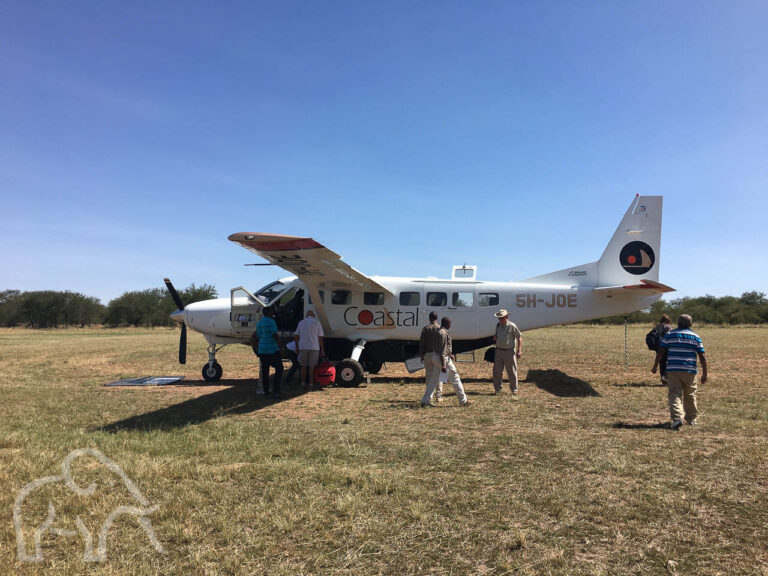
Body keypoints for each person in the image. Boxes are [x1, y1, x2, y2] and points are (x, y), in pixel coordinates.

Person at [651, 314, 708, 430]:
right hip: (690, 370)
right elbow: (702, 356)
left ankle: (677, 419)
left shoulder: (669, 335)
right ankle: (691, 419)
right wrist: (705, 373)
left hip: (673, 369)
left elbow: (661, 352)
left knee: (674, 394)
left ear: (677, 323)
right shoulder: (696, 337)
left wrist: (655, 366)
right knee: (690, 394)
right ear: (691, 324)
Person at [432, 317, 471, 407]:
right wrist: (444, 364)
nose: (450, 325)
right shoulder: (443, 333)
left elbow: (442, 348)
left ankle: (425, 400)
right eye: (450, 323)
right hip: (443, 358)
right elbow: (442, 351)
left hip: (436, 357)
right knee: (455, 378)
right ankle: (463, 401)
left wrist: (449, 354)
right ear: (447, 324)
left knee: (433, 380)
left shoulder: (438, 331)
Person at [251, 307, 284, 397]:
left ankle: (266, 392)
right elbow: (275, 335)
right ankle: (276, 390)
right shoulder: (271, 321)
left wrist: (256, 347)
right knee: (279, 368)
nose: (273, 313)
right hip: (272, 349)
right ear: (268, 312)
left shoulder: (260, 323)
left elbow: (254, 336)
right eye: (272, 311)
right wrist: (281, 347)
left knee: (265, 372)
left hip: (262, 350)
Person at [492, 309, 522, 394]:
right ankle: (497, 389)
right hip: (499, 351)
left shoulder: (512, 326)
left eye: (502, 318)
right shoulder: (498, 325)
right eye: (499, 318)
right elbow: (496, 336)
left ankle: (514, 390)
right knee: (497, 371)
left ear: (507, 317)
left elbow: (519, 337)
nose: (500, 319)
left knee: (512, 371)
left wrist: (519, 350)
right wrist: (495, 338)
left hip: (509, 351)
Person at [294, 310, 325, 390]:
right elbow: (320, 337)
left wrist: (297, 347)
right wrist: (322, 349)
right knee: (312, 367)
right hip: (314, 347)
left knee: (303, 366)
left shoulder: (301, 323)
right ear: (313, 315)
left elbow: (296, 336)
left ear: (306, 315)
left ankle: (303, 383)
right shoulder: (317, 323)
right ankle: (311, 383)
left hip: (303, 347)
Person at [419, 312, 441, 407]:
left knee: (429, 376)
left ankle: (429, 396)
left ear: (429, 318)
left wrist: (421, 354)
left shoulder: (425, 329)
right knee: (438, 375)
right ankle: (438, 396)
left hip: (427, 354)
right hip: (437, 354)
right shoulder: (440, 329)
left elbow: (422, 343)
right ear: (437, 318)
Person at [647, 314, 672, 384]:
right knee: (668, 362)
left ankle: (663, 379)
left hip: (658, 346)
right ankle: (666, 378)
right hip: (666, 346)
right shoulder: (668, 327)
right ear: (667, 320)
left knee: (662, 362)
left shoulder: (657, 326)